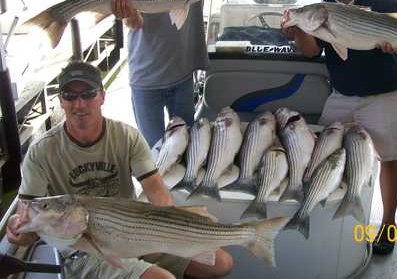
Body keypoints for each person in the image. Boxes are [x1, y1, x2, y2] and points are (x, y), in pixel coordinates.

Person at [7, 61, 233, 279]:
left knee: (221, 264)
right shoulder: (41, 151)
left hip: (134, 229)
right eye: (70, 96)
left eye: (88, 94)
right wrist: (19, 230)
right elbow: (25, 213)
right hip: (84, 246)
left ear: (102, 97)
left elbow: (155, 190)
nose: (79, 104)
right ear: (61, 101)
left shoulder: (126, 136)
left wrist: (168, 231)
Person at [281, 0, 397, 255]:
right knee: (325, 151)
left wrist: (396, 47)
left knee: (389, 157)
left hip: (386, 93)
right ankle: (332, 211)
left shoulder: (384, 1)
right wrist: (298, 29)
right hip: (343, 94)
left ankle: (388, 226)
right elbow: (312, 51)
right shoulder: (322, 10)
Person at [111, 0, 248, 148]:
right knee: (154, 150)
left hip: (182, 78)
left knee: (184, 145)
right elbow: (135, 25)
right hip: (145, 82)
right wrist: (128, 14)